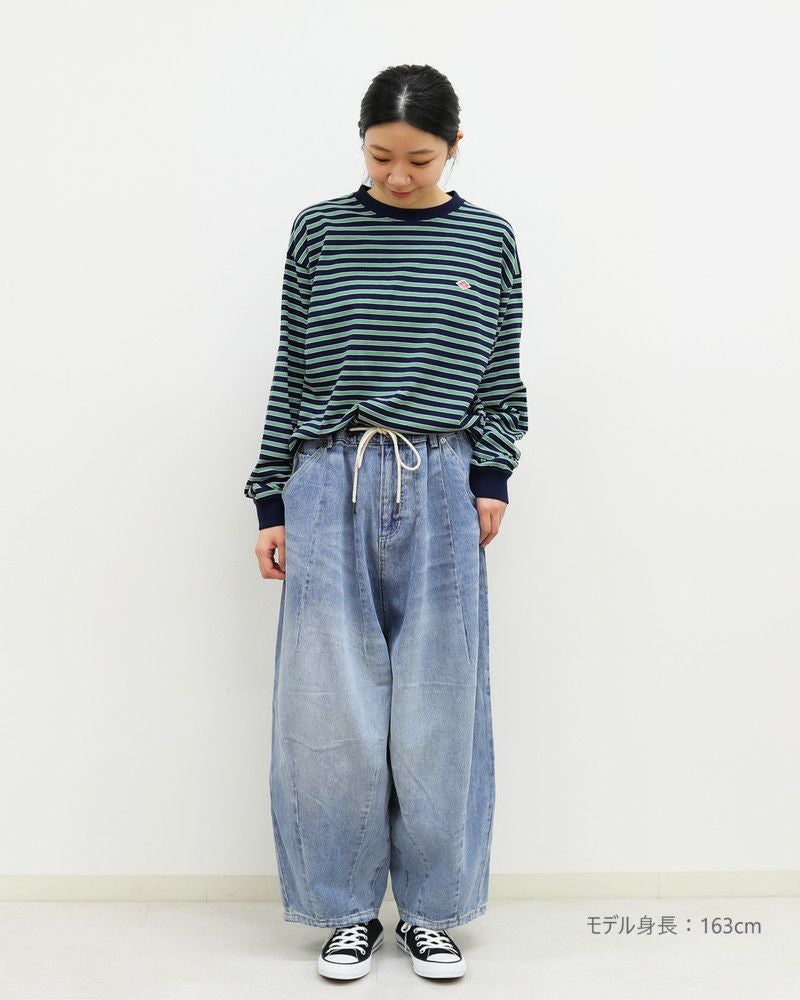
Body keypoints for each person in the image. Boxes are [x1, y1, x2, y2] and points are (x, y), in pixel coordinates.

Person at [244, 63, 528, 981]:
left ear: (454, 148)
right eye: (379, 157)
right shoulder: (320, 231)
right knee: (329, 708)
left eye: (419, 159)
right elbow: (292, 364)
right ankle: (344, 912)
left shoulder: (488, 239)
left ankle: (434, 913)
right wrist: (271, 497)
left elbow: (502, 375)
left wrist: (490, 476)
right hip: (328, 478)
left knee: (441, 706)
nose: (398, 176)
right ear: (361, 142)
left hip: (443, 481)